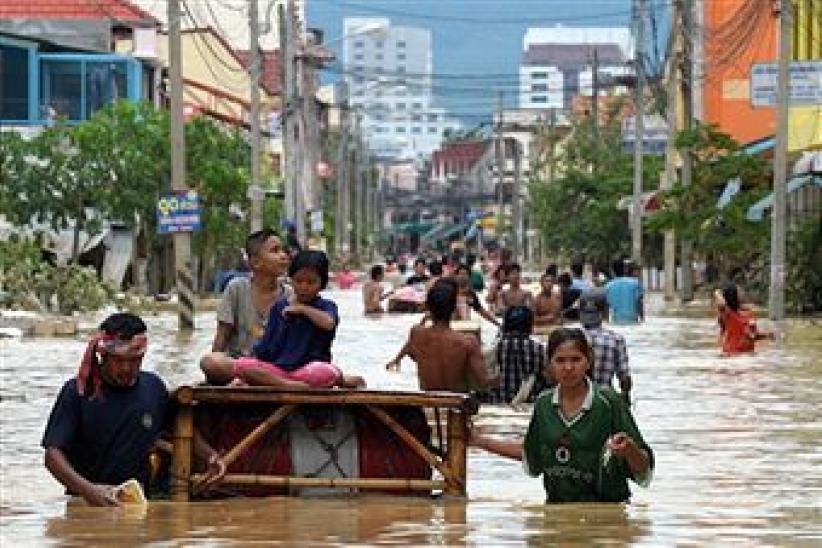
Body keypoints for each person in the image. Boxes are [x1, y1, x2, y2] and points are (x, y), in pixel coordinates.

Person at [42, 313, 225, 506]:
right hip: (84, 502)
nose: (127, 368)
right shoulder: (78, 391)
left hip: (135, 502)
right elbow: (52, 456)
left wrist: (210, 456)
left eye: (135, 360)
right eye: (119, 361)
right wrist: (89, 490)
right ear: (103, 355)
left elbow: (176, 429)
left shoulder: (153, 387)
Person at [470, 327, 654, 503]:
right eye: (560, 360)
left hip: (607, 512)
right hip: (558, 509)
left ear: (588, 361)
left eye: (576, 359)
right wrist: (479, 441)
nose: (568, 367)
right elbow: (532, 455)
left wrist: (630, 450)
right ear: (549, 364)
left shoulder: (607, 402)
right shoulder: (544, 404)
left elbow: (644, 469)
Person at [204, 250, 365, 389]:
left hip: (309, 371)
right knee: (229, 364)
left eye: (311, 282)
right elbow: (266, 347)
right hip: (278, 371)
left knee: (326, 373)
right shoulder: (279, 308)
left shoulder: (327, 306)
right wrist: (252, 365)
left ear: (322, 284)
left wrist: (303, 309)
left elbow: (329, 323)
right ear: (291, 280)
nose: (304, 286)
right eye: (299, 281)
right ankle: (285, 385)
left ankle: (274, 382)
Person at [199, 230, 305, 390]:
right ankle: (280, 384)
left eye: (283, 250)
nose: (284, 255)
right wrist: (213, 379)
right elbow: (221, 337)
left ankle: (278, 382)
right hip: (240, 367)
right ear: (256, 262)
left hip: (274, 369)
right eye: (275, 251)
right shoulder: (237, 288)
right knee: (211, 362)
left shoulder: (291, 295)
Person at [385, 278, 499, 392]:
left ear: (428, 308)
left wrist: (398, 359)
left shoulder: (416, 334)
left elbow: (412, 352)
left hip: (427, 403)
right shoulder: (468, 342)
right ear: (454, 308)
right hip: (457, 405)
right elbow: (483, 383)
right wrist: (502, 376)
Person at [485, 306, 549, 404]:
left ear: (506, 325)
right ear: (530, 326)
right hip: (530, 405)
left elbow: (486, 380)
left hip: (500, 405)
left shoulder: (496, 348)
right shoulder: (540, 349)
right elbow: (547, 378)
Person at [579, 291, 632, 404]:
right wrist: (626, 396)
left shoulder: (570, 338)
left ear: (580, 313)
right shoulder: (616, 339)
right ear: (604, 313)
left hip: (576, 400)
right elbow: (624, 377)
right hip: (604, 400)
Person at [714, 283, 772, 356]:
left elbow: (753, 336)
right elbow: (720, 301)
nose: (742, 293)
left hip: (748, 354)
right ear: (733, 295)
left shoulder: (749, 314)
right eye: (739, 291)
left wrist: (767, 335)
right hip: (732, 354)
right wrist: (717, 292)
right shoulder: (728, 313)